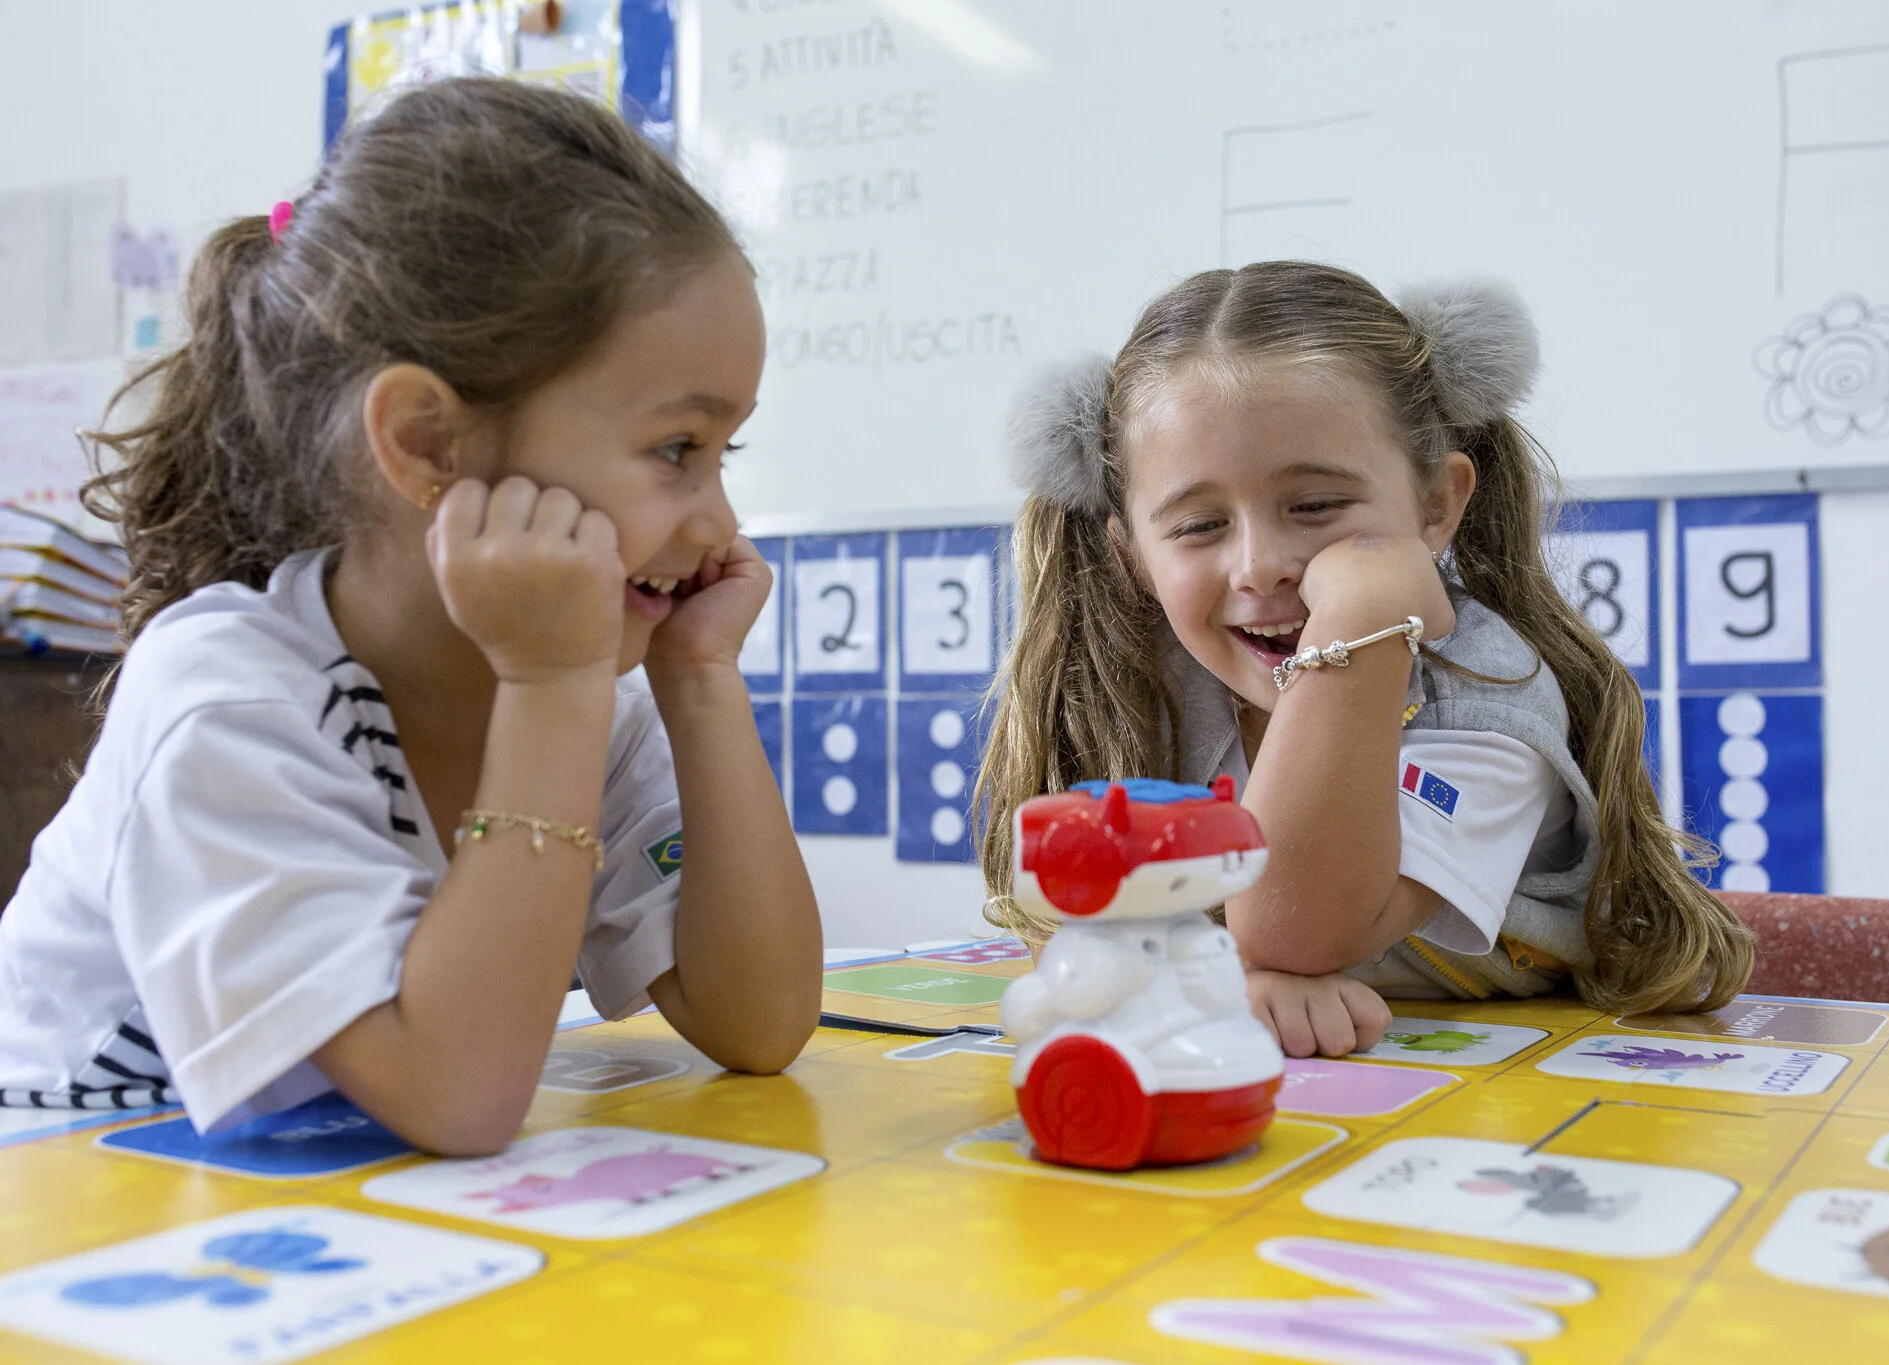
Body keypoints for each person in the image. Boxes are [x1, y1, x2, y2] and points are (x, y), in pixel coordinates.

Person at [0, 79, 820, 1153]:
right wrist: (551, 690)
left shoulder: (590, 708)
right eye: (676, 451)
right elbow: (458, 1096)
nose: (718, 522)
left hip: (316, 1208)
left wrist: (700, 686)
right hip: (72, 1219)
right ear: (432, 446)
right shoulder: (231, 699)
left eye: (725, 455)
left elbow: (758, 1024)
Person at [978, 262, 1752, 1058]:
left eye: (1314, 506)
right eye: (1199, 524)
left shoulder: (1484, 698)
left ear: (1437, 504)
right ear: (1132, 552)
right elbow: (1074, 930)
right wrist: (1224, 980)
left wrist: (1363, 615)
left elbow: (1294, 929)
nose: (1259, 565)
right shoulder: (1142, 692)